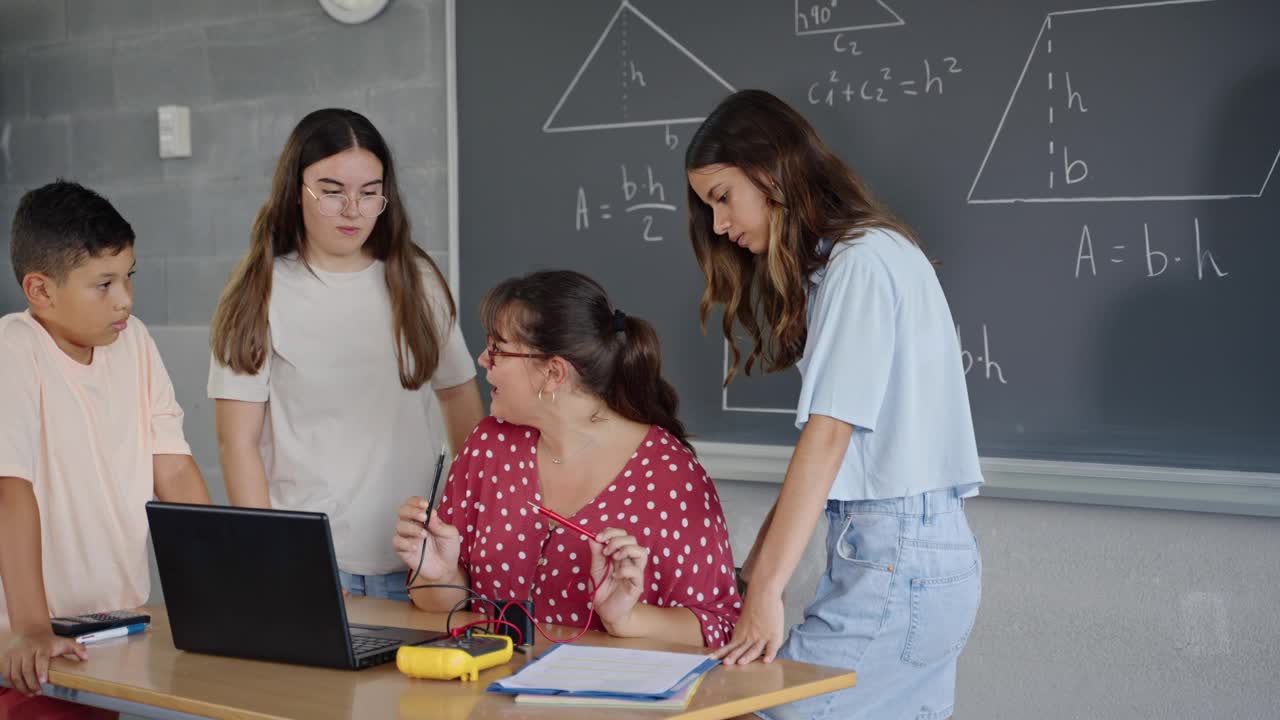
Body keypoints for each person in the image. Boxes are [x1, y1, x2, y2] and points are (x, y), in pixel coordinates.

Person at [685, 89, 984, 719]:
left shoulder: (859, 265)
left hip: (895, 558)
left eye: (722, 198)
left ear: (769, 172)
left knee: (761, 708)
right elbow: (822, 462)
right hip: (921, 551)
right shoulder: (869, 257)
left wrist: (765, 589)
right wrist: (751, 575)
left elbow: (827, 439)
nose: (718, 226)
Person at [208, 109, 484, 601]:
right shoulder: (261, 290)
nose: (353, 209)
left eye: (370, 191)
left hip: (420, 566)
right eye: (332, 192)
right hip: (311, 563)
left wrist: (466, 529)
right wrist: (273, 555)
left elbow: (461, 399)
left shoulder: (415, 280)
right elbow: (238, 444)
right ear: (297, 189)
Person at [393, 270, 740, 647]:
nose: (482, 359)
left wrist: (626, 617)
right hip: (491, 696)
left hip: (607, 701)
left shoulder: (672, 476)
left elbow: (719, 626)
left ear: (554, 373)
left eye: (497, 349)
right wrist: (437, 574)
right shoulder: (488, 446)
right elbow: (440, 603)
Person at [0, 181, 211, 718]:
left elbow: (177, 472)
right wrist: (30, 628)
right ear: (41, 291)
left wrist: (224, 588)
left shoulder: (134, 341)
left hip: (110, 633)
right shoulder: (13, 350)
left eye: (128, 277)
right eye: (103, 284)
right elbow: (10, 491)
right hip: (29, 653)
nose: (126, 299)